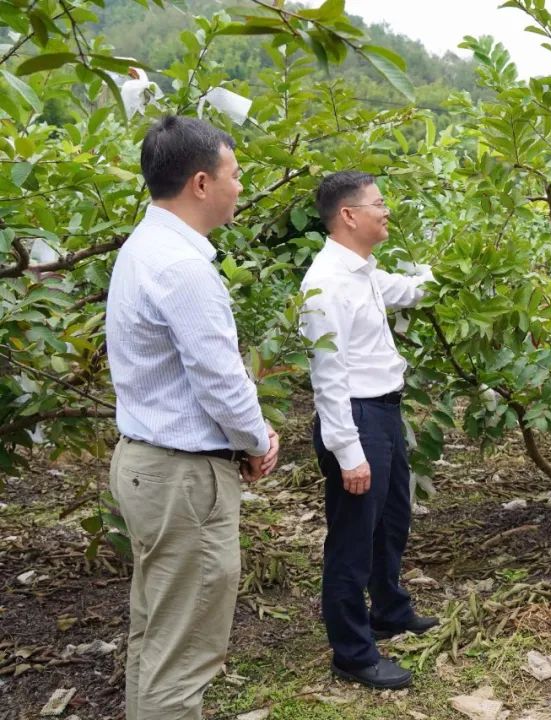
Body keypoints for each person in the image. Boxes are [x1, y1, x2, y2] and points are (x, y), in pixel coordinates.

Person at [106, 115, 280, 720]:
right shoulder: (183, 269)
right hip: (183, 478)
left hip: (147, 465)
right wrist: (257, 439)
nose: (241, 186)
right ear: (202, 183)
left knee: (156, 631)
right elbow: (220, 379)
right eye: (235, 174)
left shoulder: (142, 248)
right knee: (184, 653)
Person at [300, 171, 437, 690]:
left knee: (391, 520)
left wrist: (453, 270)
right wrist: (347, 450)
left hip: (382, 412)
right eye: (378, 204)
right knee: (352, 539)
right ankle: (353, 653)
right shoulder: (325, 284)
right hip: (355, 418)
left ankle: (389, 609)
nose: (387, 211)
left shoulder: (362, 272)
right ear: (349, 215)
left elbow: (409, 290)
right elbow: (327, 376)